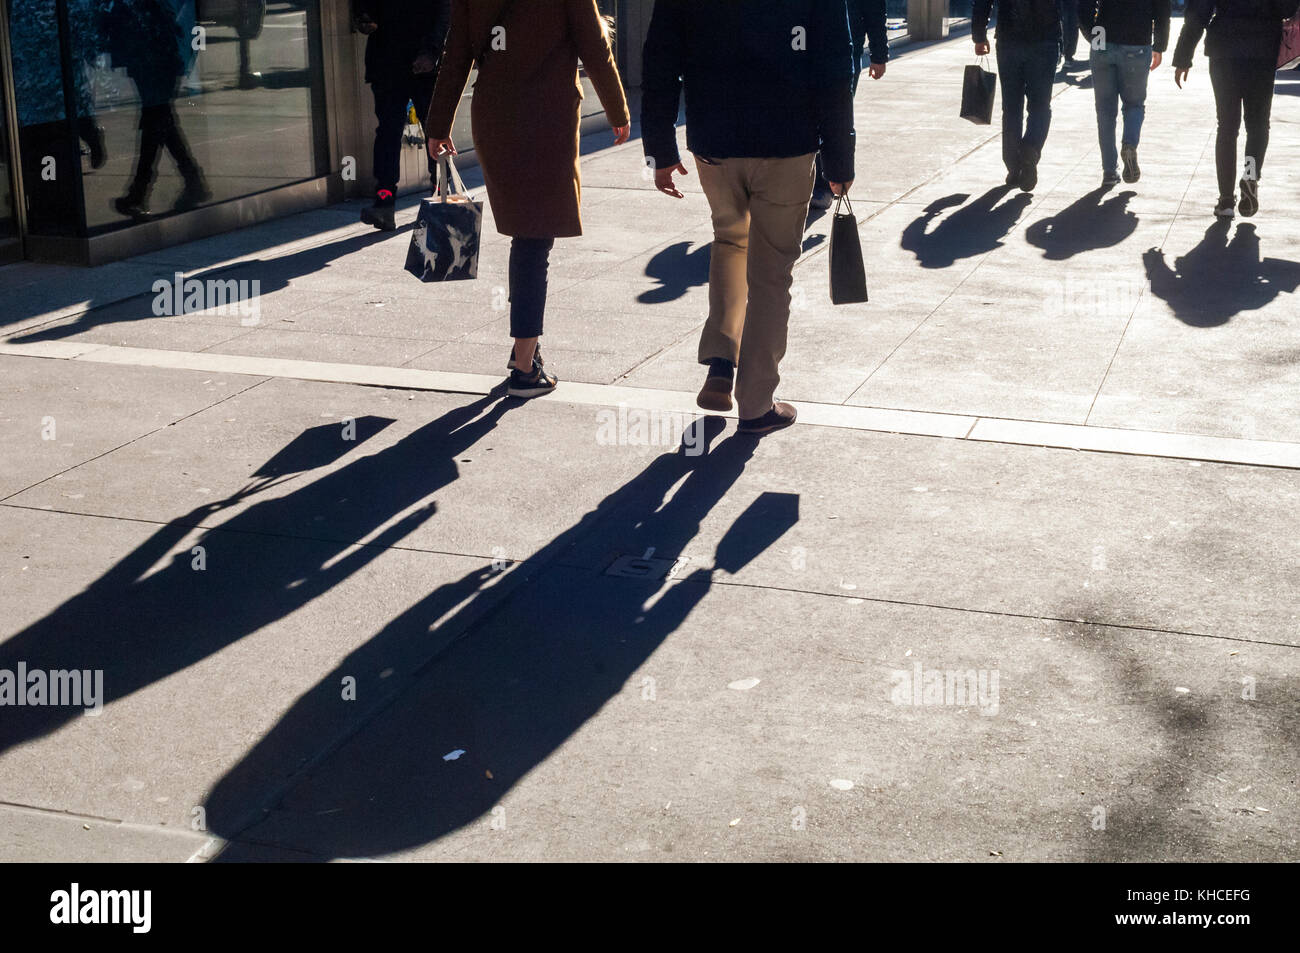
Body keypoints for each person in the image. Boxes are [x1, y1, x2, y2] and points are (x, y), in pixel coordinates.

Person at [642, 0, 855, 435]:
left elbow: (661, 58)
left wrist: (661, 148)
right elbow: (834, 68)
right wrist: (840, 160)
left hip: (715, 139)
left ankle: (721, 362)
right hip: (787, 141)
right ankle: (756, 403)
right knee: (771, 273)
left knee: (730, 241)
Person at [425, 0, 629, 398]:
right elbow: (595, 46)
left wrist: (438, 124)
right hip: (546, 119)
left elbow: (457, 53)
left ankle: (525, 353)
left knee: (528, 234)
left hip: (494, 117)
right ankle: (524, 366)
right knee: (534, 241)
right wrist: (617, 109)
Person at [1173, 0, 1300, 218]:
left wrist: (1183, 56)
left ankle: (1226, 200)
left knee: (1227, 126)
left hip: (1224, 48)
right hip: (1263, 49)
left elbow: (1198, 12)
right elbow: (1287, 8)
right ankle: (1250, 175)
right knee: (1258, 123)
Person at [354, 0, 452, 231]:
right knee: (388, 131)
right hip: (387, 61)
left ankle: (440, 196)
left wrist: (432, 51)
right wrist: (363, 17)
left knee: (435, 131)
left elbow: (445, 10)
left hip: (424, 59)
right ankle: (384, 200)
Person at [973, 0, 1063, 192]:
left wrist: (979, 35)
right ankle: (1030, 148)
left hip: (1009, 39)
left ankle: (1014, 165)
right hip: (1044, 38)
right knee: (1040, 106)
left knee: (1012, 107)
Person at [1080, 0, 1170, 187]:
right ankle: (1129, 144)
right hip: (1137, 39)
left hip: (1103, 38)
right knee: (1134, 104)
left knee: (1105, 110)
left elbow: (1083, 6)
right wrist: (1160, 45)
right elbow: (1162, 8)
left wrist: (1092, 34)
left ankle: (1109, 170)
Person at [811, 0, 889, 211]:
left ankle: (825, 184)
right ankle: (814, 181)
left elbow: (874, 10)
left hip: (843, 52)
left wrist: (879, 54)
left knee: (834, 116)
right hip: (804, 49)